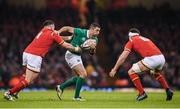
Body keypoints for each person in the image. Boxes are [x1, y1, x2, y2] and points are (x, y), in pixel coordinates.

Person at [3, 20, 82, 101]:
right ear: (52, 26)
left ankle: (16, 92)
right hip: (35, 56)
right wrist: (75, 48)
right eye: (54, 28)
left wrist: (68, 38)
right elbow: (65, 45)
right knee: (28, 80)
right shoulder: (52, 33)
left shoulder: (43, 31)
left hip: (26, 52)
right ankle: (9, 93)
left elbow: (56, 37)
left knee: (27, 75)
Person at [109, 28, 173, 101]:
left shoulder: (132, 40)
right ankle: (168, 90)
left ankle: (142, 93)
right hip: (161, 58)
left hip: (152, 58)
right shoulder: (145, 38)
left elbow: (122, 57)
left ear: (129, 35)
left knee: (131, 71)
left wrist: (114, 69)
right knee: (156, 73)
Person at [56, 23, 101, 101]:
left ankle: (61, 87)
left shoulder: (95, 40)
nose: (98, 32)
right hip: (71, 54)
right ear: (91, 29)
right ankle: (76, 97)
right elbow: (67, 28)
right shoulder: (80, 32)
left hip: (78, 55)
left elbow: (92, 53)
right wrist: (58, 32)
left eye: (99, 31)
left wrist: (93, 49)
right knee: (83, 74)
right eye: (97, 30)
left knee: (80, 77)